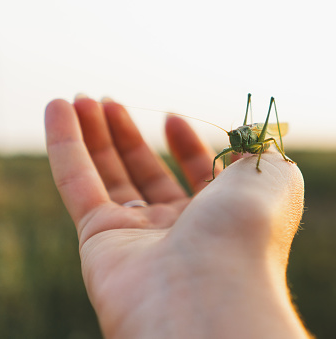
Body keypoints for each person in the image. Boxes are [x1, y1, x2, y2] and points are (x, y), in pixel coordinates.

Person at [44, 95, 311, 338]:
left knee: (272, 131)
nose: (234, 144)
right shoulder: (230, 148)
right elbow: (221, 157)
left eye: (236, 139)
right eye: (233, 139)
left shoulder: (256, 141)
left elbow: (271, 141)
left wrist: (264, 163)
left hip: (264, 140)